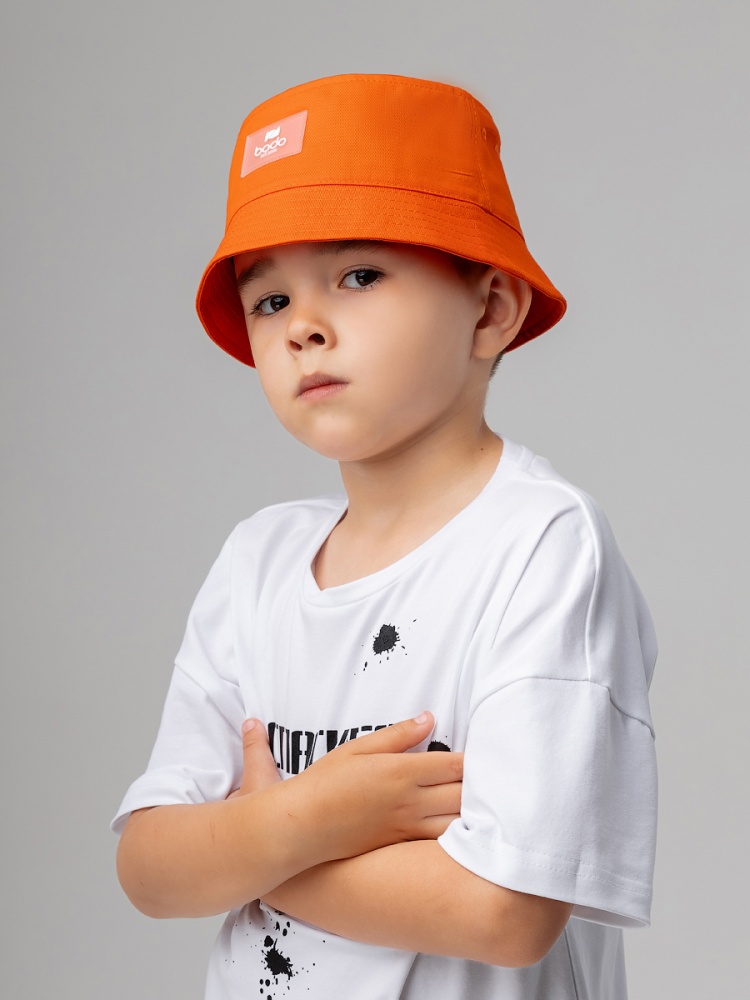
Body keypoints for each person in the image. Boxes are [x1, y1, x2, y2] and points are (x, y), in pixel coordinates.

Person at [112, 73, 658, 1000]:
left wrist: (255, 842)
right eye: (268, 300)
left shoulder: (540, 544)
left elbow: (507, 913)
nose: (302, 328)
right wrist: (311, 816)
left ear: (491, 310)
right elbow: (149, 870)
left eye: (358, 275)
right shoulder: (258, 560)